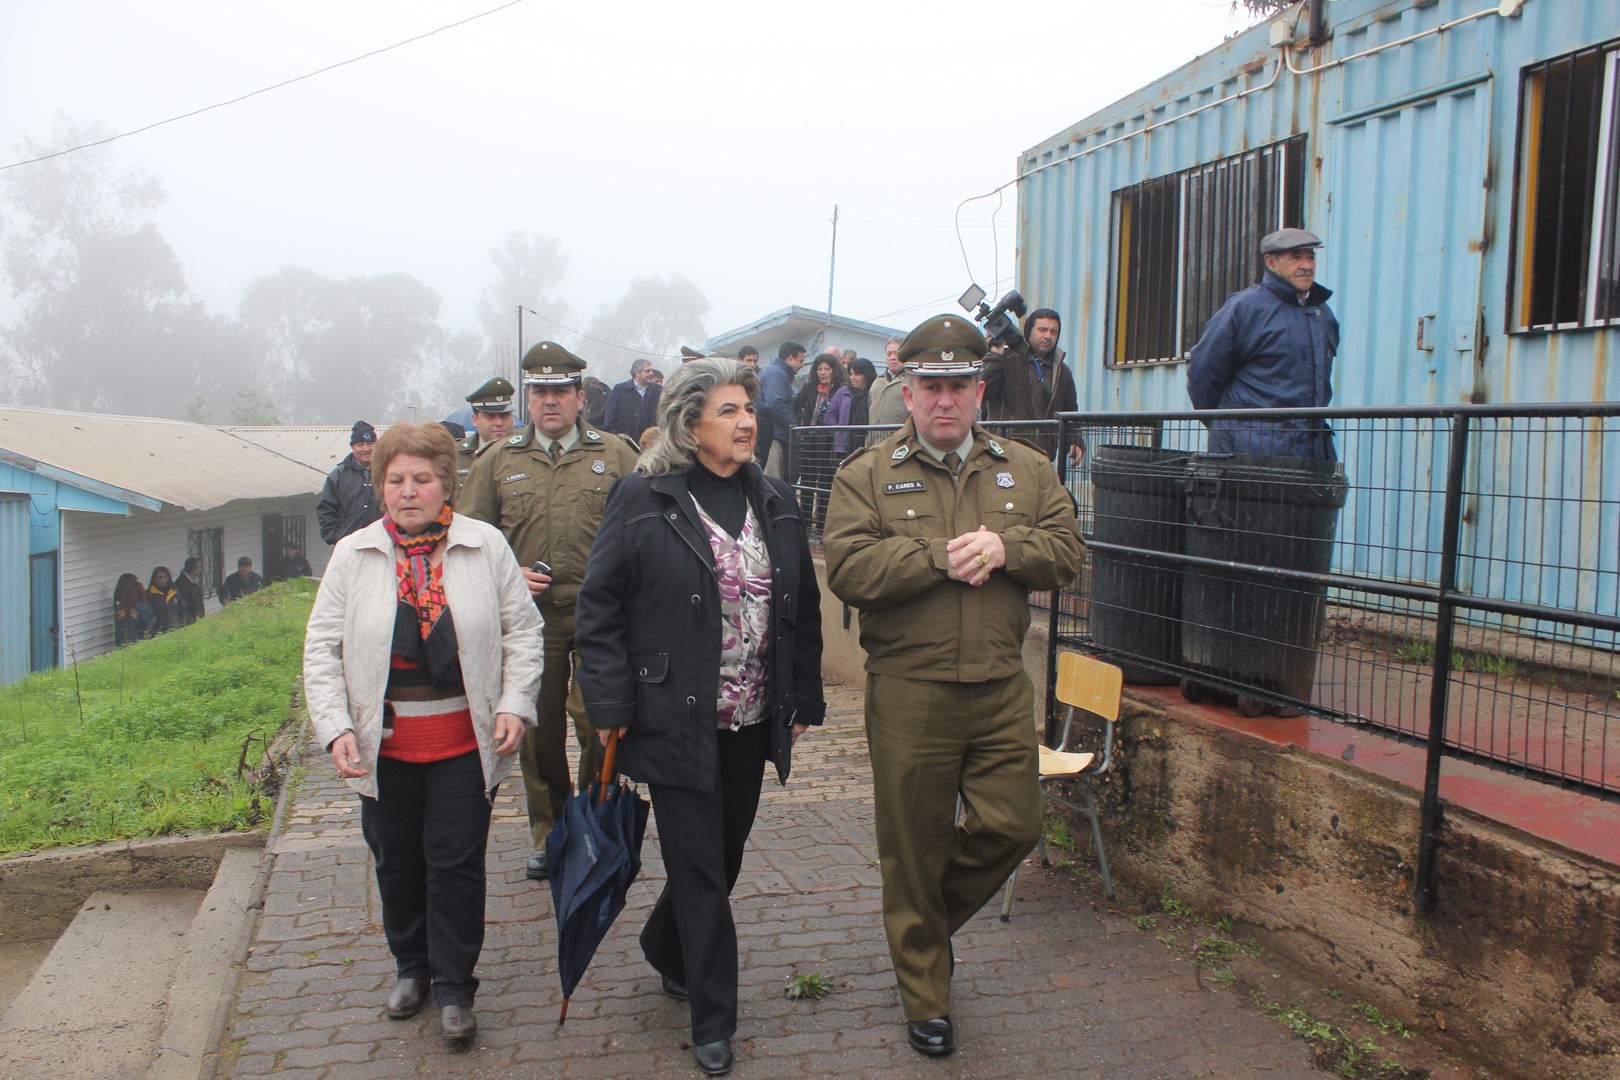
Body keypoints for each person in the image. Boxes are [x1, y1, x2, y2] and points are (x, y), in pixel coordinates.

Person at [823, 314, 1085, 1059]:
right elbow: (849, 570)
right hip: (911, 689)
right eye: (931, 387)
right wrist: (936, 557)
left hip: (1002, 685)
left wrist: (1008, 547)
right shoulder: (866, 476)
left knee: (1015, 824)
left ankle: (920, 930)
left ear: (980, 392)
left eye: (959, 387)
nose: (946, 401)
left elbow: (1068, 553)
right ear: (907, 393)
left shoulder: (1027, 469)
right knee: (914, 843)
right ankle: (926, 994)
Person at [576, 357, 825, 1077]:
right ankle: (714, 1019)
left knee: (725, 855)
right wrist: (611, 705)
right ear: (690, 423)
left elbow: (801, 609)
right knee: (698, 868)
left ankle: (664, 946)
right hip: (673, 717)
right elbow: (599, 610)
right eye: (727, 410)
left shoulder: (775, 498)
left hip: (751, 715)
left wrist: (801, 697)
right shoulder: (643, 497)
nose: (747, 421)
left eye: (748, 407)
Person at [303, 421, 542, 1050]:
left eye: (423, 479)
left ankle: (457, 986)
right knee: (398, 864)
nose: (409, 491)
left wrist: (517, 703)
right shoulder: (353, 554)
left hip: (465, 742)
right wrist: (334, 730)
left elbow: (523, 631)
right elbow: (321, 650)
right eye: (396, 479)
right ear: (380, 485)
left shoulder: (483, 546)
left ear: (447, 486)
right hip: (387, 748)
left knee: (457, 865)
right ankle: (412, 969)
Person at [460, 340, 639, 883]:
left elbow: (646, 530)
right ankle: (550, 832)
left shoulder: (617, 456)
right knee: (535, 733)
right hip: (529, 622)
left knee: (597, 724)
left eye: (561, 390)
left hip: (600, 619)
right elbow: (468, 542)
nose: (550, 401)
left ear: (580, 396)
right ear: (527, 399)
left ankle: (592, 823)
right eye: (539, 391)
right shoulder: (498, 461)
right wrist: (508, 574)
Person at [1187, 227, 1339, 460]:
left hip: (1311, 452)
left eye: (1311, 257)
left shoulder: (1322, 313)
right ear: (1271, 262)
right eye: (1296, 257)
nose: (1306, 265)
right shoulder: (1245, 308)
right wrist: (1228, 424)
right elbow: (1203, 373)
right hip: (1250, 453)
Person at [982, 308, 1082, 465]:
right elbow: (983, 391)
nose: (1048, 336)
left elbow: (1070, 411)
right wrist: (995, 354)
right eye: (1042, 330)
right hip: (1003, 455)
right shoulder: (1006, 360)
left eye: (1053, 332)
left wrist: (1076, 441)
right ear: (1029, 331)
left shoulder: (1062, 372)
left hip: (1042, 458)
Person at [793, 353, 849, 534]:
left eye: (826, 369)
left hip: (829, 441)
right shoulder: (810, 387)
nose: (822, 373)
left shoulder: (841, 389)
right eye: (819, 369)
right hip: (809, 440)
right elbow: (795, 406)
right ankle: (806, 523)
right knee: (807, 481)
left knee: (825, 483)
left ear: (834, 370)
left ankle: (822, 525)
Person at [317, 421, 382, 545]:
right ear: (352, 447)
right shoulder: (338, 476)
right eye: (360, 444)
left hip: (381, 544)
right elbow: (325, 510)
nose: (366, 449)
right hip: (348, 546)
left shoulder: (387, 473)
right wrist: (336, 537)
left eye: (370, 444)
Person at [455, 377, 517, 496]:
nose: (499, 423)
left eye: (504, 415)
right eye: (490, 416)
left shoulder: (528, 454)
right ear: (475, 419)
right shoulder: (456, 456)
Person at [755, 340, 804, 477]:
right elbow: (775, 404)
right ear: (790, 358)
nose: (802, 365)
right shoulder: (775, 374)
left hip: (775, 434)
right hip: (773, 437)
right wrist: (794, 426)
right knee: (773, 479)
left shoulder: (778, 373)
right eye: (800, 361)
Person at [603, 358, 663, 439]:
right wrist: (615, 439)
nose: (651, 373)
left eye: (651, 370)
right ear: (637, 373)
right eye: (647, 371)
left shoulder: (659, 391)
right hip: (625, 444)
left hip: (652, 444)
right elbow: (610, 419)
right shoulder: (620, 390)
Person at [866, 336, 909, 443]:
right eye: (889, 354)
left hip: (900, 444)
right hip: (874, 444)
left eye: (896, 353)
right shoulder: (877, 382)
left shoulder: (912, 381)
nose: (892, 357)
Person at [842, 357, 877, 452]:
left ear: (867, 375)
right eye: (850, 374)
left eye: (856, 374)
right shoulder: (852, 394)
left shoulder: (874, 395)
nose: (852, 378)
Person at [114, 573, 155, 644]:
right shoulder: (142, 608)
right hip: (140, 643)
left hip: (124, 645)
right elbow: (151, 625)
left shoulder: (120, 608)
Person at [146, 566, 182, 632]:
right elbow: (149, 615)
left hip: (176, 628)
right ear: (154, 579)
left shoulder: (174, 592)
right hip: (160, 631)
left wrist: (181, 622)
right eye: (160, 577)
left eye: (165, 577)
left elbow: (182, 608)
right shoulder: (149, 595)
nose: (163, 580)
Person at [175, 557, 206, 625]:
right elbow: (184, 605)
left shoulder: (192, 581)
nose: (201, 570)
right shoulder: (182, 584)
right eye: (199, 567)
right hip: (190, 622)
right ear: (193, 569)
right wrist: (193, 619)